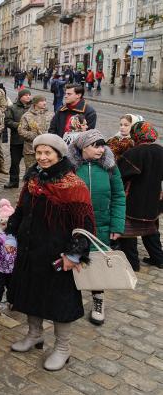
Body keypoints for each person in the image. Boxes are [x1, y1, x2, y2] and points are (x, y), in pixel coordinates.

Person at [8, 134, 93, 371]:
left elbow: (84, 224)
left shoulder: (73, 185)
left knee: (59, 303)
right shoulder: (33, 178)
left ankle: (63, 348)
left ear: (59, 154)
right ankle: (35, 334)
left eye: (48, 153)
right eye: (39, 153)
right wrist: (11, 233)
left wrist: (74, 254)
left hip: (58, 254)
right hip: (31, 250)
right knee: (30, 293)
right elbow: (21, 209)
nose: (43, 157)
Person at [68, 130, 125, 326]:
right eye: (96, 145)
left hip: (101, 225)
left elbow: (119, 196)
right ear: (83, 147)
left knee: (98, 264)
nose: (102, 149)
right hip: (74, 225)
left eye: (103, 145)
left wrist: (117, 225)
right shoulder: (70, 168)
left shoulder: (109, 167)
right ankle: (67, 302)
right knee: (71, 261)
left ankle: (98, 302)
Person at [116, 122, 163, 271]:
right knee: (151, 229)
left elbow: (120, 175)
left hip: (134, 200)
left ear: (136, 134)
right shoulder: (161, 151)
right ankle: (159, 259)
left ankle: (132, 264)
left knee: (128, 233)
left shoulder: (134, 153)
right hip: (154, 198)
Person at [4, 89, 32, 188]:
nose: (28, 97)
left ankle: (30, 182)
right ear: (20, 97)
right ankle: (13, 181)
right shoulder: (12, 108)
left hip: (30, 141)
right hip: (17, 140)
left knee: (31, 163)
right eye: (26, 95)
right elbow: (7, 121)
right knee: (15, 162)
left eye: (29, 95)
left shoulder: (33, 107)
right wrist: (20, 126)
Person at [17, 96, 52, 171]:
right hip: (31, 150)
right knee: (31, 172)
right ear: (35, 103)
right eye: (42, 101)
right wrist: (35, 136)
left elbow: (54, 129)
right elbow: (21, 131)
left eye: (45, 101)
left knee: (46, 171)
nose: (44, 103)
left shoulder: (50, 114)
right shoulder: (27, 115)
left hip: (47, 149)